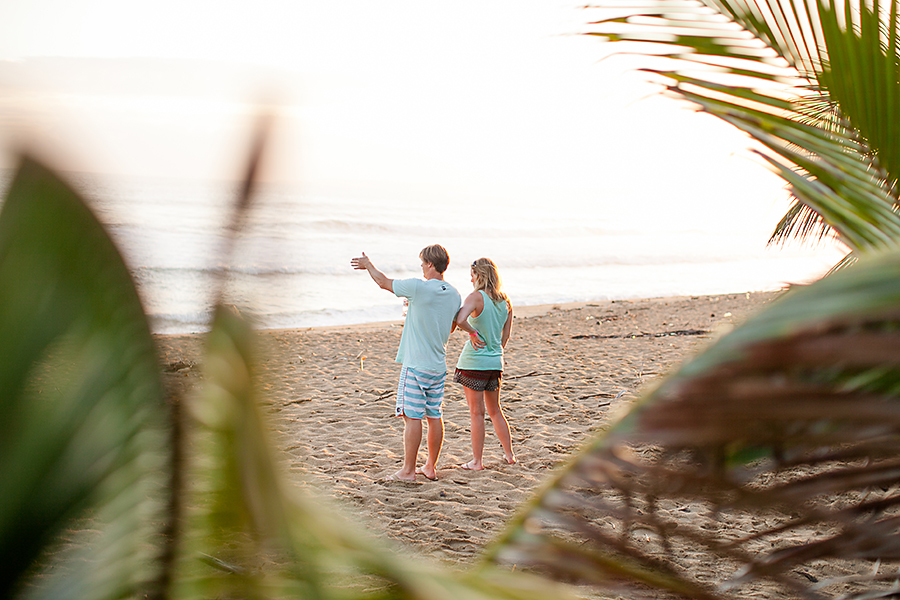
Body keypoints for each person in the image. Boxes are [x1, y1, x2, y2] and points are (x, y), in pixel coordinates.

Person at [351, 245, 461, 482]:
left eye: (422, 262)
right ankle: (430, 467)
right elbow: (451, 326)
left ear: (430, 264)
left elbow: (383, 282)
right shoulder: (454, 293)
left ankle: (408, 471)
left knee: (412, 417)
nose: (420, 266)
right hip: (438, 365)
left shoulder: (417, 287)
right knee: (434, 415)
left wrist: (368, 265)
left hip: (416, 365)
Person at [453, 257, 516, 470]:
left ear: (479, 275)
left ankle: (477, 461)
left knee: (476, 413)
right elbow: (505, 337)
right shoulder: (505, 300)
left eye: (472, 276)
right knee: (495, 410)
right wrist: (494, 351)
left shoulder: (477, 297)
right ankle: (509, 455)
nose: (470, 280)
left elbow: (460, 319)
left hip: (474, 361)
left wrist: (472, 332)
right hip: (495, 362)